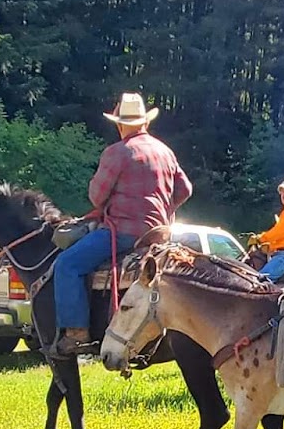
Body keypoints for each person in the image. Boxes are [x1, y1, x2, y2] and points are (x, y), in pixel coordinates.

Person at [53, 93, 191, 355]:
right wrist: (166, 208)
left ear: (119, 125)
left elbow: (96, 196)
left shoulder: (117, 152)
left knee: (67, 264)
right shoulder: (165, 151)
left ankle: (76, 334)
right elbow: (185, 190)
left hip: (124, 233)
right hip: (160, 235)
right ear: (145, 122)